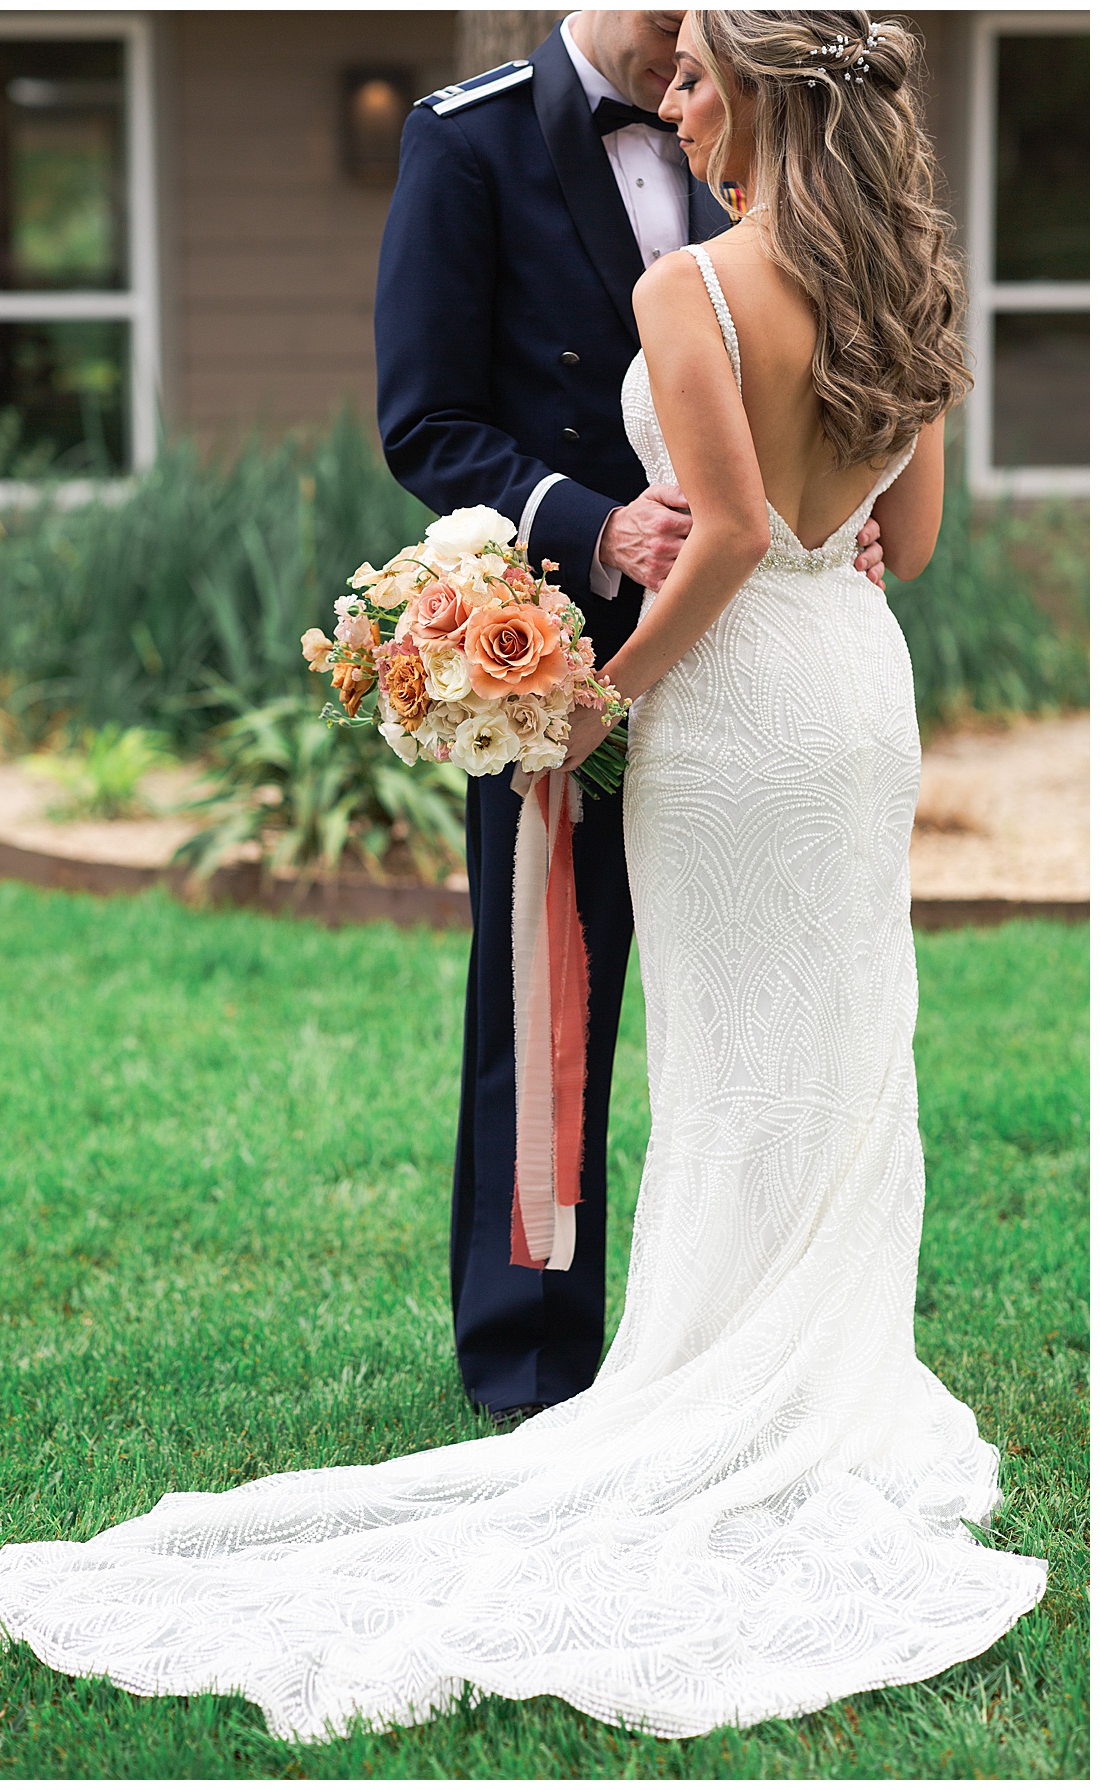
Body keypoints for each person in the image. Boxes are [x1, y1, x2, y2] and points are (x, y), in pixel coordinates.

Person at [0, 10, 1046, 1745]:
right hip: (858, 704)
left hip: (724, 696)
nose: (678, 103)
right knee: (840, 1047)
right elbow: (895, 550)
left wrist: (601, 702)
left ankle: (701, 1380)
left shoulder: (688, 293)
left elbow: (737, 537)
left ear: (759, 91)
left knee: (720, 1056)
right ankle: (820, 1372)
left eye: (703, 77)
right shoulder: (898, 282)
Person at [374, 9, 885, 1422]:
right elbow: (428, 421)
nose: (686, 43)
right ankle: (536, 1365)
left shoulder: (766, 122)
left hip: (758, 661)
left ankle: (761, 1335)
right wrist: (605, 530)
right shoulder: (463, 138)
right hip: (561, 646)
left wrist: (819, 522)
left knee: (769, 1011)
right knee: (546, 993)